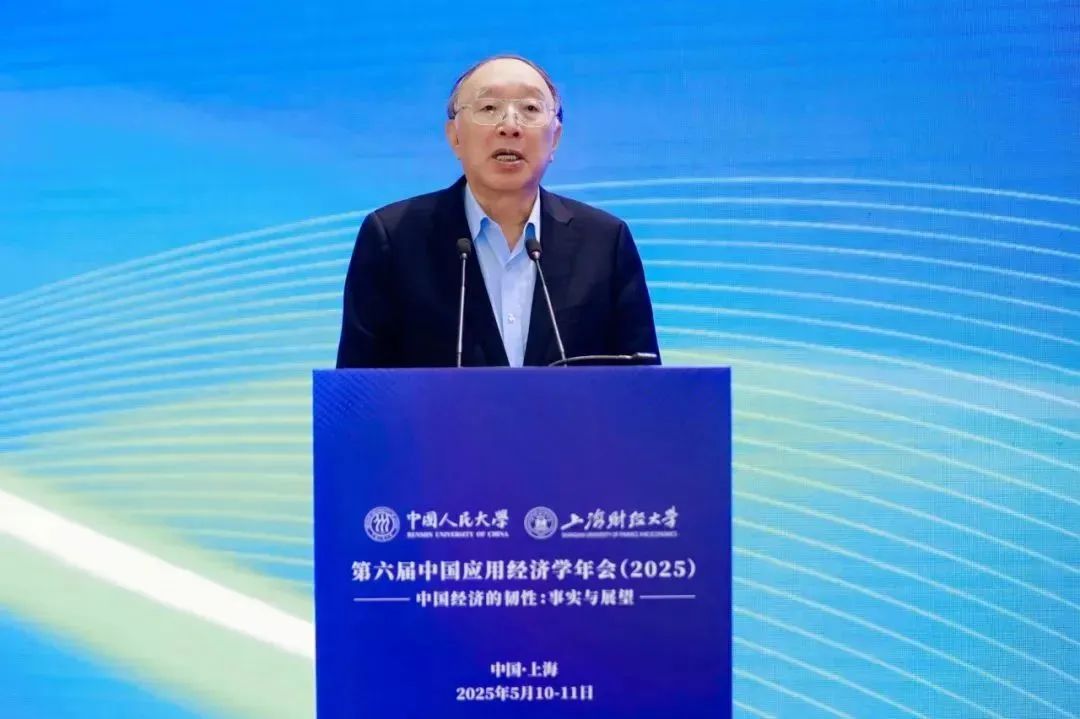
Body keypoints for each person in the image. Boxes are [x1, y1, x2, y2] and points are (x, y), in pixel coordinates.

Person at [335, 54, 660, 368]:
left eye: (530, 108)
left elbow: (644, 387)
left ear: (555, 139)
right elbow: (357, 390)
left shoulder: (604, 242)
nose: (510, 126)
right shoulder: (394, 238)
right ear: (455, 137)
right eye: (489, 108)